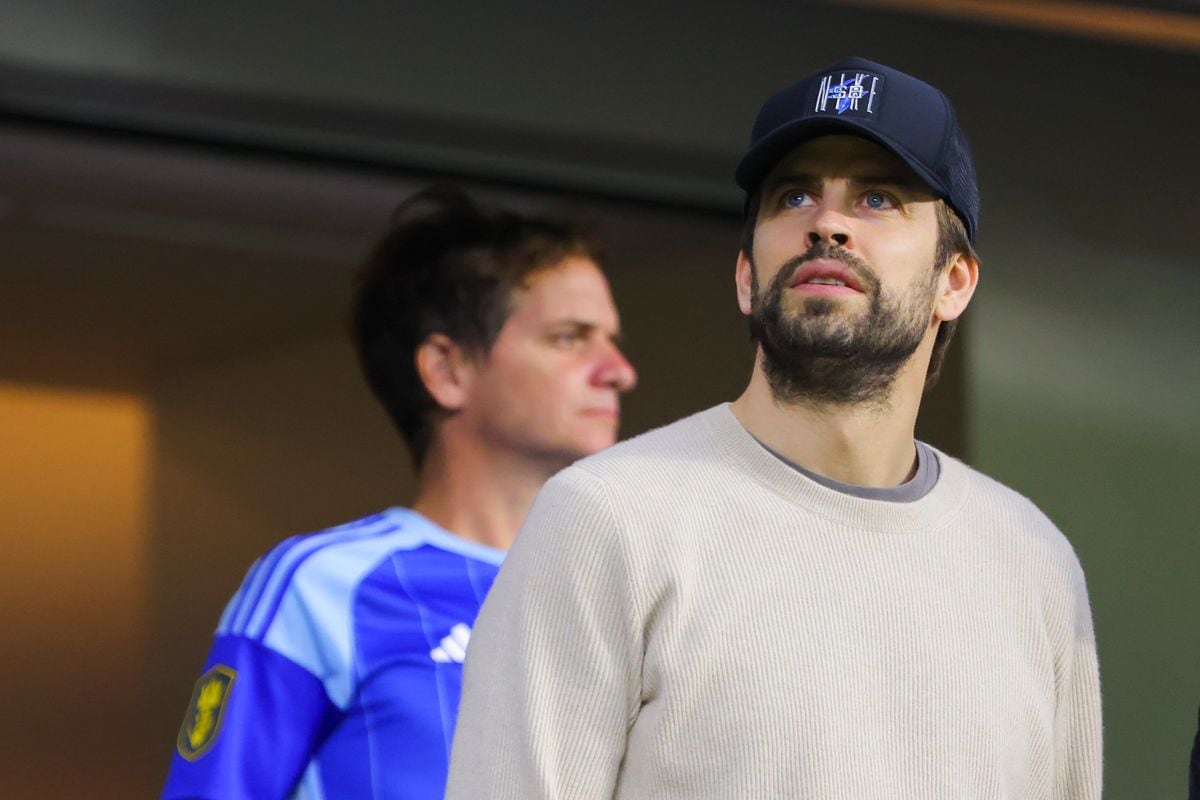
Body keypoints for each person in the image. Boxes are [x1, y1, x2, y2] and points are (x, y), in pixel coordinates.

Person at [447, 57, 1102, 799]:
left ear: (954, 281)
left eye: (878, 198)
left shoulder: (1033, 563)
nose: (827, 223)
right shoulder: (606, 519)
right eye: (794, 196)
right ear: (744, 275)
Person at [159, 185, 637, 800]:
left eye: (610, 338)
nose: (619, 370)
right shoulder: (322, 583)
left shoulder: (634, 589)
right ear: (446, 369)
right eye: (570, 337)